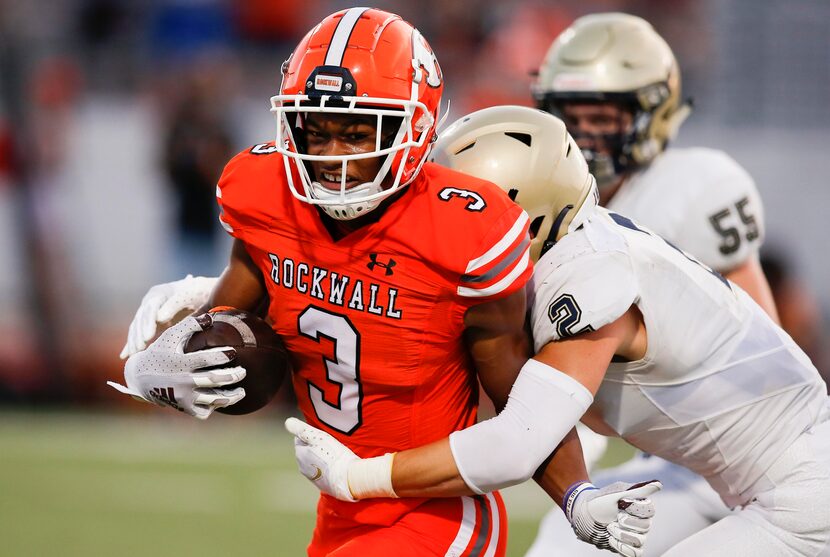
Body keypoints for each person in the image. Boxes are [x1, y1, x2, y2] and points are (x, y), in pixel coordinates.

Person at [110, 8, 647, 556]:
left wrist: (576, 495)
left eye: (356, 132)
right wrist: (159, 367)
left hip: (436, 514)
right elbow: (228, 338)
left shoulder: (464, 231)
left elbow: (518, 395)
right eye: (315, 131)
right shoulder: (264, 195)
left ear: (413, 128)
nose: (331, 157)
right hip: (338, 509)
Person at [285, 105, 830, 557]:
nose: (435, 228)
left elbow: (518, 442)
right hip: (738, 479)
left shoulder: (587, 275)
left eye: (457, 212)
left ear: (523, 215)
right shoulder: (567, 249)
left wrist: (360, 477)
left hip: (803, 489)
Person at [523, 13, 784, 555]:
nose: (583, 135)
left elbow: (767, 354)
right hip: (645, 443)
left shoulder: (694, 188)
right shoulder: (544, 198)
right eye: (569, 116)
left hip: (731, 451)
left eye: (601, 116)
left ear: (653, 111)